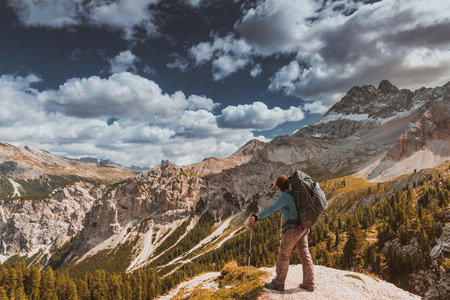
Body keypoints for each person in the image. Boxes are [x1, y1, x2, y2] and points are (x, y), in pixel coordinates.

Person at [249, 175, 315, 292]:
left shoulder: (284, 196)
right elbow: (293, 209)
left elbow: (272, 209)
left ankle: (278, 284)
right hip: (304, 227)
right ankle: (309, 283)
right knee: (305, 254)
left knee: (284, 255)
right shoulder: (295, 193)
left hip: (293, 229)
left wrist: (257, 216)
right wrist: (284, 210)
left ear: (278, 186)